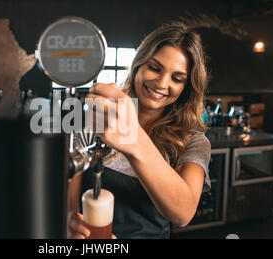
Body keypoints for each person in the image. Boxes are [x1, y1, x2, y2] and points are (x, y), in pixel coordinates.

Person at [67, 22, 211, 239]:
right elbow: (71, 194)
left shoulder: (193, 142)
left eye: (177, 78)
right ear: (138, 65)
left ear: (186, 88)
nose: (161, 83)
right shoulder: (99, 119)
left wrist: (134, 139)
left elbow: (183, 214)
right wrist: (69, 221)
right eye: (154, 67)